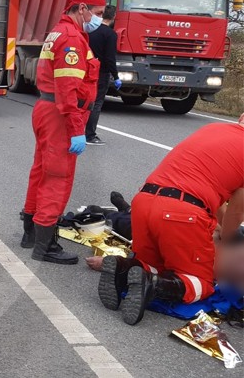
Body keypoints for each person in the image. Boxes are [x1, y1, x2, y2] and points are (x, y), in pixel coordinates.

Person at [97, 115, 244, 325]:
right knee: (201, 283)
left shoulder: (216, 130)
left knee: (152, 264)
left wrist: (218, 224)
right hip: (182, 213)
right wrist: (228, 243)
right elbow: (237, 211)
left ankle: (122, 268)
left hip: (144, 201)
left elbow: (218, 191)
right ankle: (153, 285)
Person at [19, 0, 106, 265]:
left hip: (47, 109)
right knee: (57, 177)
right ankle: (45, 246)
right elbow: (68, 91)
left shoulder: (59, 32)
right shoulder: (71, 38)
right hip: (60, 113)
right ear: (83, 9)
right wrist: (77, 128)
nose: (100, 20)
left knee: (41, 171)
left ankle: (30, 233)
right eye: (99, 14)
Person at [85, 5, 120, 145]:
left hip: (87, 70)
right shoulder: (111, 34)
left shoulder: (90, 31)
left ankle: (79, 130)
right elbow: (110, 58)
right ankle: (90, 135)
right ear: (113, 17)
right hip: (101, 72)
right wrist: (116, 76)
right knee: (97, 103)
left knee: (85, 102)